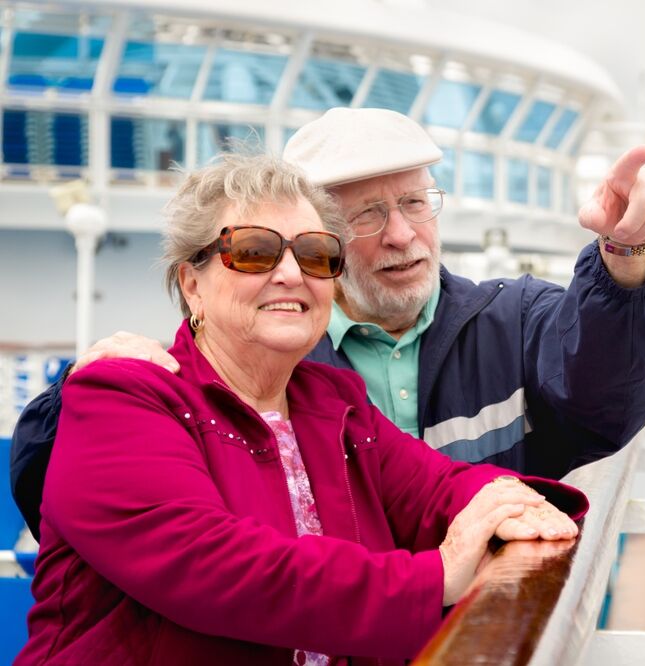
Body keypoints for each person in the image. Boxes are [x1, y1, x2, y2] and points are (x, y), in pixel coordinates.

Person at [15, 153, 585, 665]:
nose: (291, 273)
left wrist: (518, 509)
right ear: (192, 283)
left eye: (316, 254)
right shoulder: (123, 396)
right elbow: (214, 568)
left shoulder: (330, 402)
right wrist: (432, 577)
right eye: (254, 251)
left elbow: (434, 488)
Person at [10, 108, 645, 540]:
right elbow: (57, 489)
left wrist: (624, 260)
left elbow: (607, 402)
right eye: (365, 215)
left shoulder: (515, 319)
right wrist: (79, 392)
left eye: (416, 202)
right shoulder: (270, 359)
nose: (401, 234)